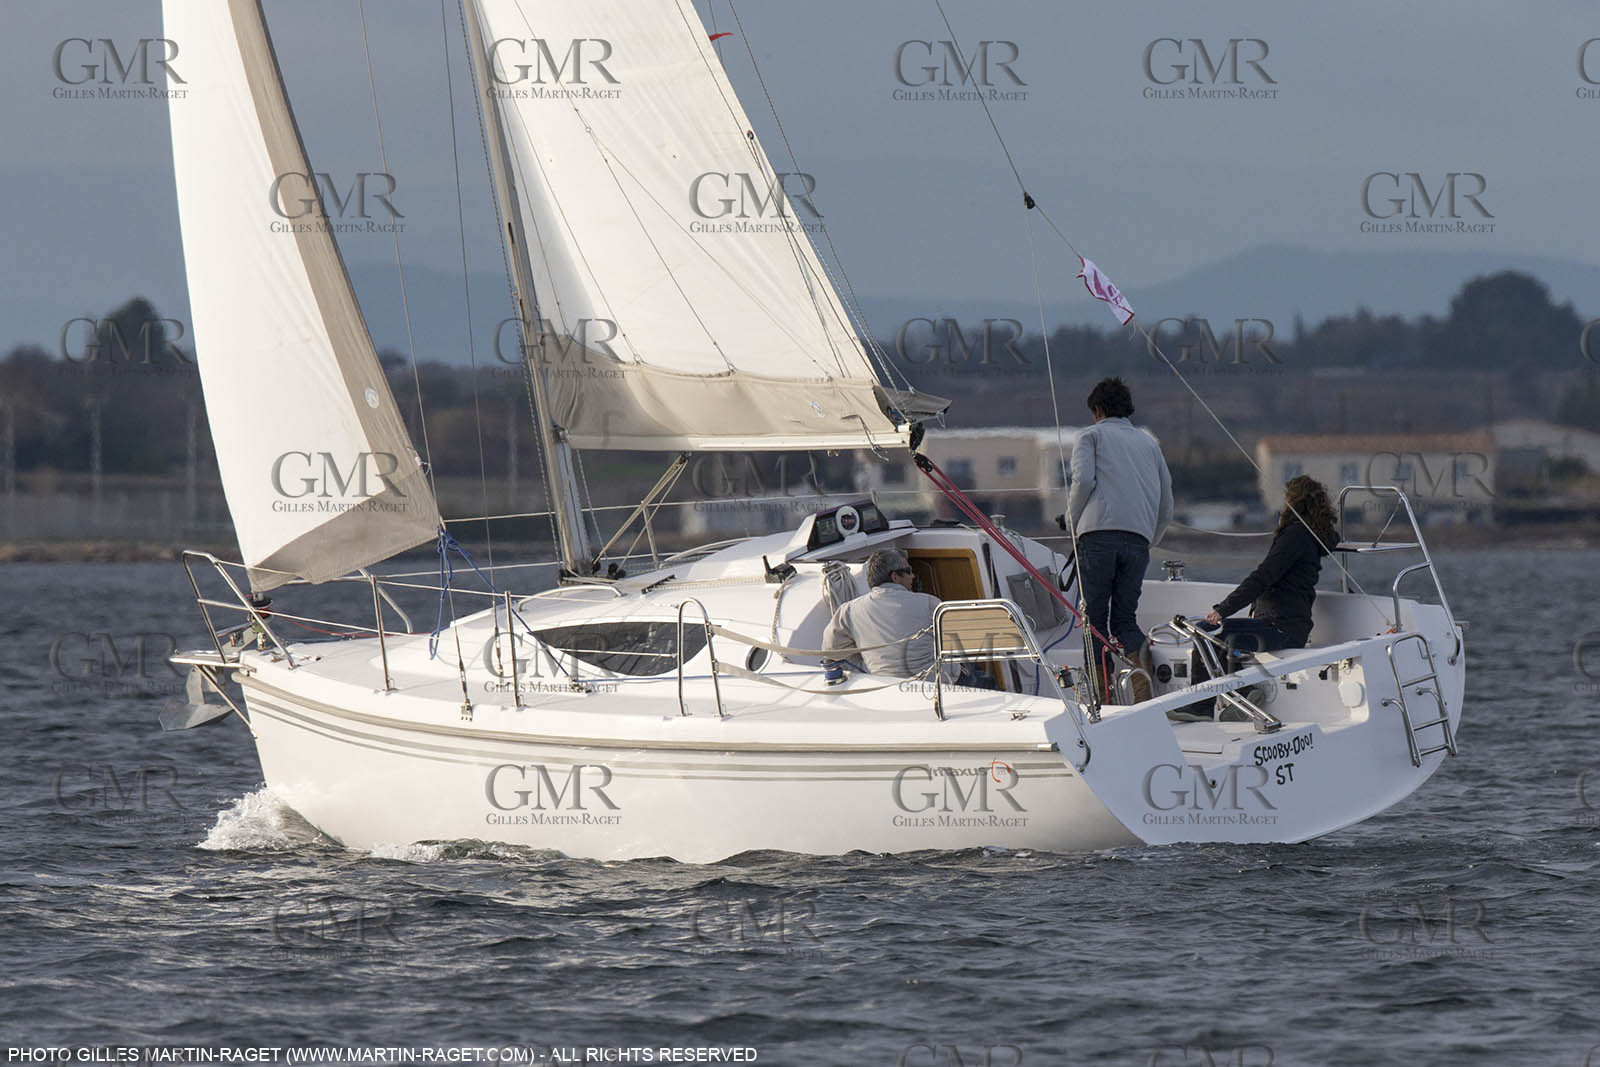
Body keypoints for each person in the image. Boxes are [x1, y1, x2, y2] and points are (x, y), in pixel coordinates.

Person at [1067, 377, 1173, 699]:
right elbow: (1166, 505)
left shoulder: (1090, 437)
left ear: (1097, 410)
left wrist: (1072, 524)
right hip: (1138, 542)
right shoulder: (1150, 445)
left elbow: (1083, 480)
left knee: (1094, 622)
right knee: (1125, 620)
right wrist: (1148, 540)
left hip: (1097, 538)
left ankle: (1100, 697)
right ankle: (1143, 690)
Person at [1201, 474, 1339, 665]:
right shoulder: (1305, 536)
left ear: (1293, 504)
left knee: (1206, 633)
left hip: (1281, 629)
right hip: (1284, 625)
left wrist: (1223, 610)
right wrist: (1255, 609)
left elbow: (1263, 576)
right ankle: (1239, 690)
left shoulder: (1295, 536)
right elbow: (1273, 577)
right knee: (1213, 635)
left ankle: (1206, 694)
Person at [822, 548, 951, 681]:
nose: (912, 576)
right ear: (895, 577)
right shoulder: (930, 603)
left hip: (885, 688)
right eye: (909, 571)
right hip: (937, 685)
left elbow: (831, 651)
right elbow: (957, 642)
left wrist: (864, 656)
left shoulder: (848, 611)